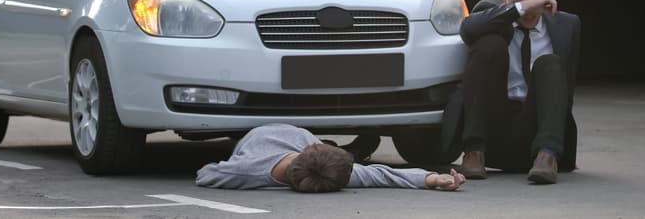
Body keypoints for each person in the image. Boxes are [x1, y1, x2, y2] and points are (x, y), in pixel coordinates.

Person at [440, 0, 581, 184]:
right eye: (522, 4)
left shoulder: (567, 25)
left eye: (534, 0)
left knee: (550, 64)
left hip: (537, 131)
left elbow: (566, 93)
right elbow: (467, 28)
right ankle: (473, 151)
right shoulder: (491, 17)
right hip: (493, 132)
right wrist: (520, 9)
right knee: (489, 45)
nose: (531, 12)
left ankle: (548, 156)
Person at [196, 123, 466, 192]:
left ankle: (351, 151)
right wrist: (431, 180)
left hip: (298, 135)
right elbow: (205, 174)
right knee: (348, 160)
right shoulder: (244, 172)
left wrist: (430, 178)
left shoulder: (309, 146)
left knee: (337, 154)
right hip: (255, 141)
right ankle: (354, 152)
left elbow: (384, 174)